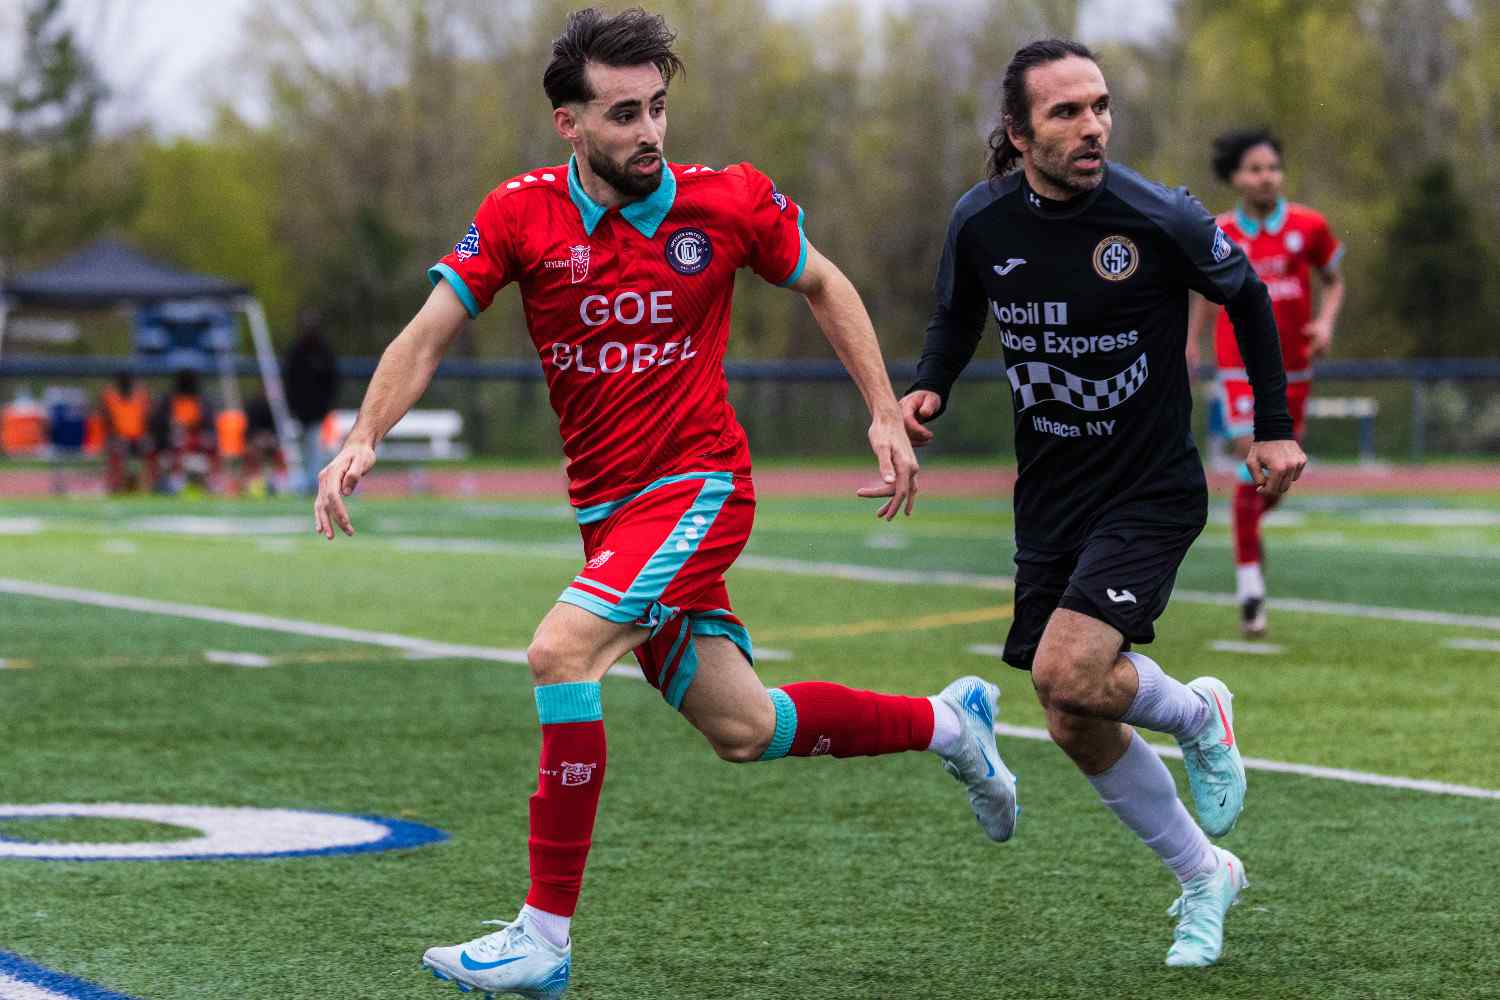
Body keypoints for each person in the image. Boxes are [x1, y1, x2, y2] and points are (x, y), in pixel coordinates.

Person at [312, 9, 1017, 997]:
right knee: (745, 728)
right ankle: (953, 724)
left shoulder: (728, 202)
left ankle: (542, 939)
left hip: (699, 487)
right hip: (612, 514)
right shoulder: (519, 214)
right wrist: (363, 435)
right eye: (623, 113)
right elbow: (428, 330)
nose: (649, 132)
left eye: (659, 109)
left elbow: (826, 283)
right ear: (570, 124)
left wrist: (882, 411)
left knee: (561, 650)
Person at [902, 40, 1306, 968]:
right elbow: (955, 314)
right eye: (1066, 113)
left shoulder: (1156, 215)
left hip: (1149, 489)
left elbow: (1244, 295)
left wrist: (1272, 427)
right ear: (1017, 133)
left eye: (1101, 107)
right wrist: (931, 383)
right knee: (1069, 712)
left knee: (1073, 671)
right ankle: (1206, 874)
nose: (1093, 127)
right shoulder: (982, 221)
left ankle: (1201, 716)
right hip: (1051, 494)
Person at [1187, 129, 1345, 637]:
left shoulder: (1309, 226)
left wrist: (1325, 324)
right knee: (1248, 455)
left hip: (1294, 367)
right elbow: (1204, 294)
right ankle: (1251, 590)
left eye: (1272, 167)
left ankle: (1249, 524)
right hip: (1237, 366)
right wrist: (1191, 341)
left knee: (1276, 475)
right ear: (1235, 177)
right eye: (1254, 169)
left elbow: (1334, 279)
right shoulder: (1220, 231)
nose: (1265, 177)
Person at [283, 309, 340, 495]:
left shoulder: (324, 352)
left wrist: (327, 406)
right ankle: (302, 482)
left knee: (315, 447)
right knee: (300, 449)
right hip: (299, 411)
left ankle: (313, 483)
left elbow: (331, 381)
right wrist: (292, 407)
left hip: (318, 411)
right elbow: (289, 380)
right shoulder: (296, 351)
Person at [98, 372, 153, 493]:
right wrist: (116, 435)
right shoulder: (110, 396)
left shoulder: (141, 395)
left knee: (149, 447)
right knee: (119, 447)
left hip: (138, 437)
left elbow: (147, 419)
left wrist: (144, 435)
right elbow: (106, 421)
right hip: (117, 437)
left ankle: (147, 486)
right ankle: (116, 487)